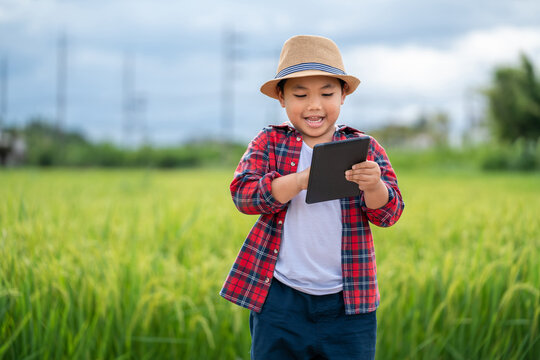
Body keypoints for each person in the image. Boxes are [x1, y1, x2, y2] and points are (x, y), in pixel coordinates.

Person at [220, 35, 404, 360]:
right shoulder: (269, 142)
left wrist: (374, 186)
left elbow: (388, 213)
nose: (314, 105)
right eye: (300, 94)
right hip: (279, 299)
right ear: (281, 97)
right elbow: (244, 195)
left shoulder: (365, 147)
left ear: (344, 94)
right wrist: (301, 180)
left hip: (349, 303)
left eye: (327, 93)